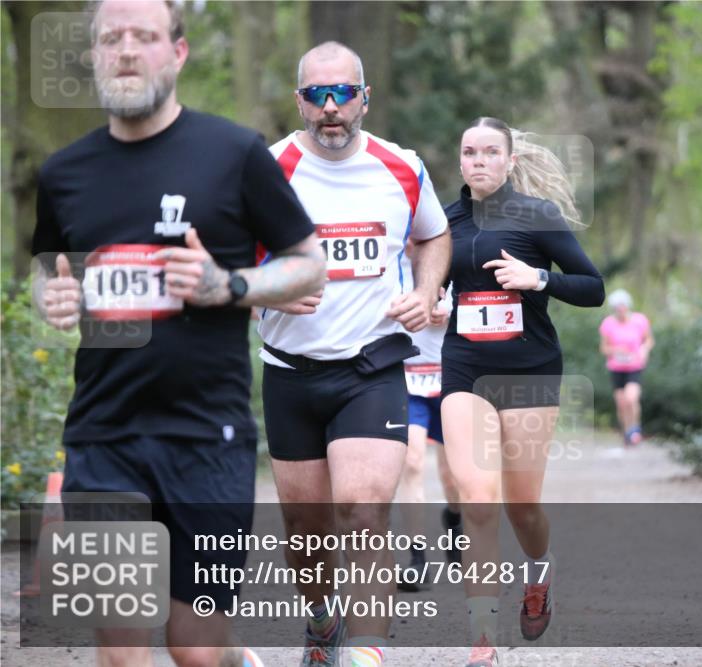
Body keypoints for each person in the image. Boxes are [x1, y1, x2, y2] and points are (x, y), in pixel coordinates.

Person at [31, 2, 326, 666]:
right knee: (123, 649)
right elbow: (50, 275)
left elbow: (311, 266)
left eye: (145, 36)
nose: (128, 50)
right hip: (102, 437)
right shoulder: (63, 174)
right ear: (95, 55)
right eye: (113, 38)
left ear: (179, 52)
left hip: (207, 437)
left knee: (195, 649)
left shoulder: (235, 153)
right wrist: (49, 296)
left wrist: (231, 286)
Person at [258, 42, 451, 667]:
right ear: (300, 102)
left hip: (372, 370)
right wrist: (267, 290)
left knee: (363, 508)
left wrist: (426, 291)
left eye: (343, 93)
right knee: (309, 536)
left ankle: (368, 652)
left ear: (365, 97)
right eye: (318, 95)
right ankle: (321, 621)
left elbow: (435, 234)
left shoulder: (402, 168)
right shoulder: (267, 170)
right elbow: (219, 261)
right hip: (291, 374)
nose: (331, 108)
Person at [440, 117, 605, 666]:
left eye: (491, 151)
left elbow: (592, 288)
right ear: (460, 161)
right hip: (464, 370)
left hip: (530, 372)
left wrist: (538, 280)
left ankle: (538, 568)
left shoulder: (538, 216)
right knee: (477, 498)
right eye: (469, 152)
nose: (479, 160)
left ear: (510, 161)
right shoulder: (445, 223)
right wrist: (436, 303)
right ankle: (482, 640)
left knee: (521, 503)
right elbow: (428, 286)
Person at [395, 252, 464, 591]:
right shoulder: (390, 265)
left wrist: (448, 315)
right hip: (408, 380)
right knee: (412, 462)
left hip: (450, 379)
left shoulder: (452, 261)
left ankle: (454, 519)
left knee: (452, 477)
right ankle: (416, 559)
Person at [599, 289, 654, 445]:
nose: (620, 310)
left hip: (634, 365)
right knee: (621, 403)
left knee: (632, 398)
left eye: (622, 306)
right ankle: (626, 432)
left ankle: (635, 429)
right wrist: (616, 350)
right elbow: (603, 348)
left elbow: (649, 340)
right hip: (616, 368)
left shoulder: (640, 320)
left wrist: (644, 349)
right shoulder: (608, 324)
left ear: (627, 306)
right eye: (617, 308)